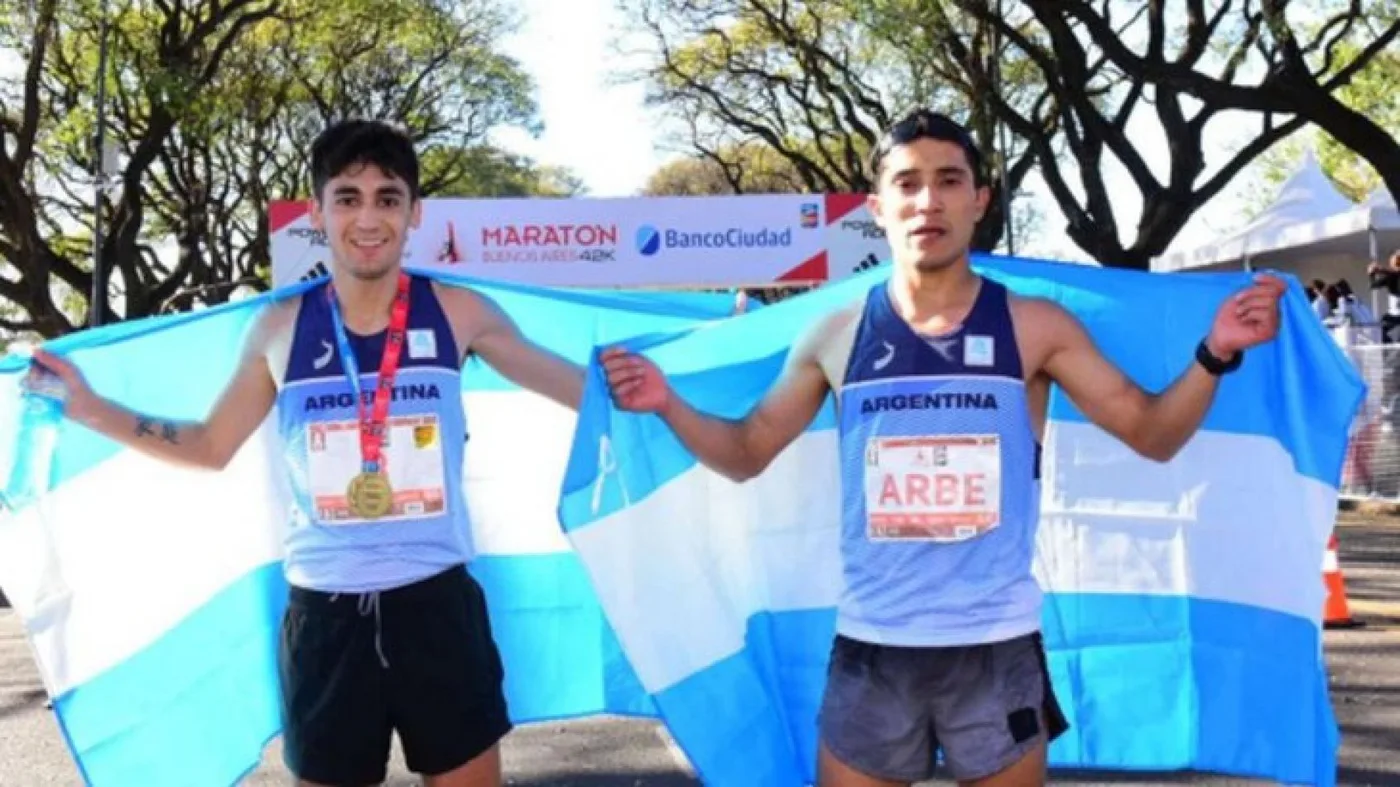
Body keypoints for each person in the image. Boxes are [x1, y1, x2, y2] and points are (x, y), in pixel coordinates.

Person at [599, 109, 1284, 787]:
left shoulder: (1033, 326)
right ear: (877, 206)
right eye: (907, 182)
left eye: (949, 180)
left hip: (995, 650)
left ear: (979, 199)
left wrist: (1215, 351)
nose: (928, 200)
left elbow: (1153, 433)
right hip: (873, 649)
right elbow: (748, 450)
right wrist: (668, 403)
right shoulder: (834, 332)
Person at [26, 119, 585, 787]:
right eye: (347, 197)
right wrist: (88, 407)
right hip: (326, 618)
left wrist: (673, 389)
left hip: (436, 608)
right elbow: (209, 445)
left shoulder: (459, 312)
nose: (369, 217)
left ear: (415, 214)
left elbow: (578, 387)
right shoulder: (278, 328)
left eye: (388, 196)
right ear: (317, 212)